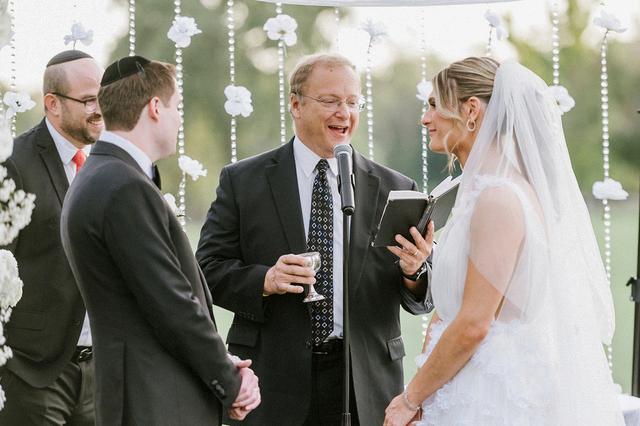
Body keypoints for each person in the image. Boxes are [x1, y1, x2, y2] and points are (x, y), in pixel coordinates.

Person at [196, 53, 433, 426]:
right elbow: (205, 271)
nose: (344, 113)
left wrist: (415, 271)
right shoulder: (242, 181)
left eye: (352, 102)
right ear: (296, 105)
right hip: (272, 382)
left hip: (365, 385)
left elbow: (421, 298)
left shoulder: (396, 187)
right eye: (330, 101)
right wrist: (265, 280)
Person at [384, 57, 623, 425]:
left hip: (489, 394)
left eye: (434, 105)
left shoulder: (498, 198)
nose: (425, 119)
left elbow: (474, 323)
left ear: (471, 111)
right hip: (458, 384)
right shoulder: (480, 192)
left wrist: (409, 398)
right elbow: (452, 311)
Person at [60, 55, 260, 425]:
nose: (179, 118)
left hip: (145, 393)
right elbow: (171, 302)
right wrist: (229, 381)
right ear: (155, 107)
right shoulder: (123, 187)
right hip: (155, 402)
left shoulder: (100, 175)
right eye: (177, 106)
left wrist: (223, 365)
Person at [0, 50, 103, 425]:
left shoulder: (107, 163)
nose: (99, 109)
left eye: (103, 97)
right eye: (88, 100)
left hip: (98, 374)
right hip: (32, 374)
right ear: (52, 104)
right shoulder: (13, 163)